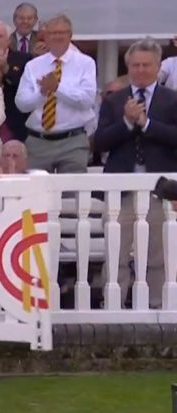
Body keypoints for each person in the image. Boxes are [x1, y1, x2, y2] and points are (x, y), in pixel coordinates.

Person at [95, 38, 177, 309]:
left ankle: (157, 307)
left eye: (146, 65)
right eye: (135, 65)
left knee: (158, 255)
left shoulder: (171, 100)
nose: (140, 70)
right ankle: (114, 307)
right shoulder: (115, 100)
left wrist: (147, 123)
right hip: (121, 190)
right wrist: (128, 123)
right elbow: (100, 142)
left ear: (157, 66)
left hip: (160, 190)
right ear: (128, 66)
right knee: (116, 253)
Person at [14, 14, 96, 174]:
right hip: (38, 142)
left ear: (70, 35)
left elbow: (87, 100)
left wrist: (57, 88)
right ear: (45, 36)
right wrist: (42, 93)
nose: (57, 37)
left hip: (72, 141)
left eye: (62, 33)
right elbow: (21, 104)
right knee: (36, 195)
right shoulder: (33, 65)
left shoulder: (85, 63)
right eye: (52, 33)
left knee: (73, 194)